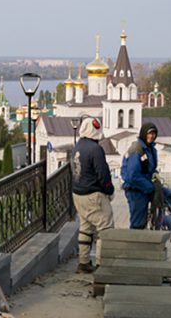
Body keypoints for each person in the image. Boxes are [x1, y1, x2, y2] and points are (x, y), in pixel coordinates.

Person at [121, 122, 171, 238]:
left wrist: (155, 177)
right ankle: (136, 245)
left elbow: (150, 169)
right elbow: (132, 175)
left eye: (154, 134)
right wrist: (150, 187)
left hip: (149, 186)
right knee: (138, 223)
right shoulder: (136, 150)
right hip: (136, 190)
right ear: (143, 133)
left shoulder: (151, 149)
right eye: (149, 133)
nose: (152, 136)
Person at [71, 117, 114, 273]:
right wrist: (109, 190)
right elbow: (103, 174)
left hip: (78, 193)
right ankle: (102, 265)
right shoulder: (96, 149)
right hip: (93, 194)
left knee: (86, 227)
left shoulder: (77, 146)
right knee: (105, 227)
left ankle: (83, 262)